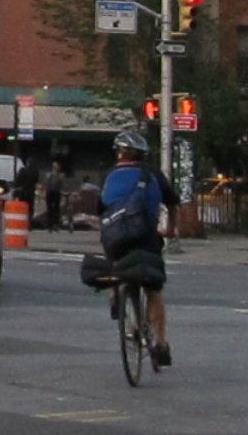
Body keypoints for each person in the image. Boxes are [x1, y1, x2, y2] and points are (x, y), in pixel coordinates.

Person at [98, 130, 179, 367]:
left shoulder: (110, 175)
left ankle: (115, 292)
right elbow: (173, 203)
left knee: (113, 257)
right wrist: (170, 229)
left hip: (116, 238)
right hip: (146, 237)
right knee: (153, 289)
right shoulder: (152, 174)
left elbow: (102, 211)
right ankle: (161, 344)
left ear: (120, 154)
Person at [44, 161, 66, 232]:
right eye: (54, 166)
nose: (55, 168)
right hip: (50, 192)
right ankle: (49, 225)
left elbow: (62, 185)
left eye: (56, 166)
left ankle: (55, 224)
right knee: (50, 209)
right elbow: (47, 184)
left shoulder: (60, 176)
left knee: (56, 209)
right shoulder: (49, 175)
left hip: (56, 192)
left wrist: (63, 190)